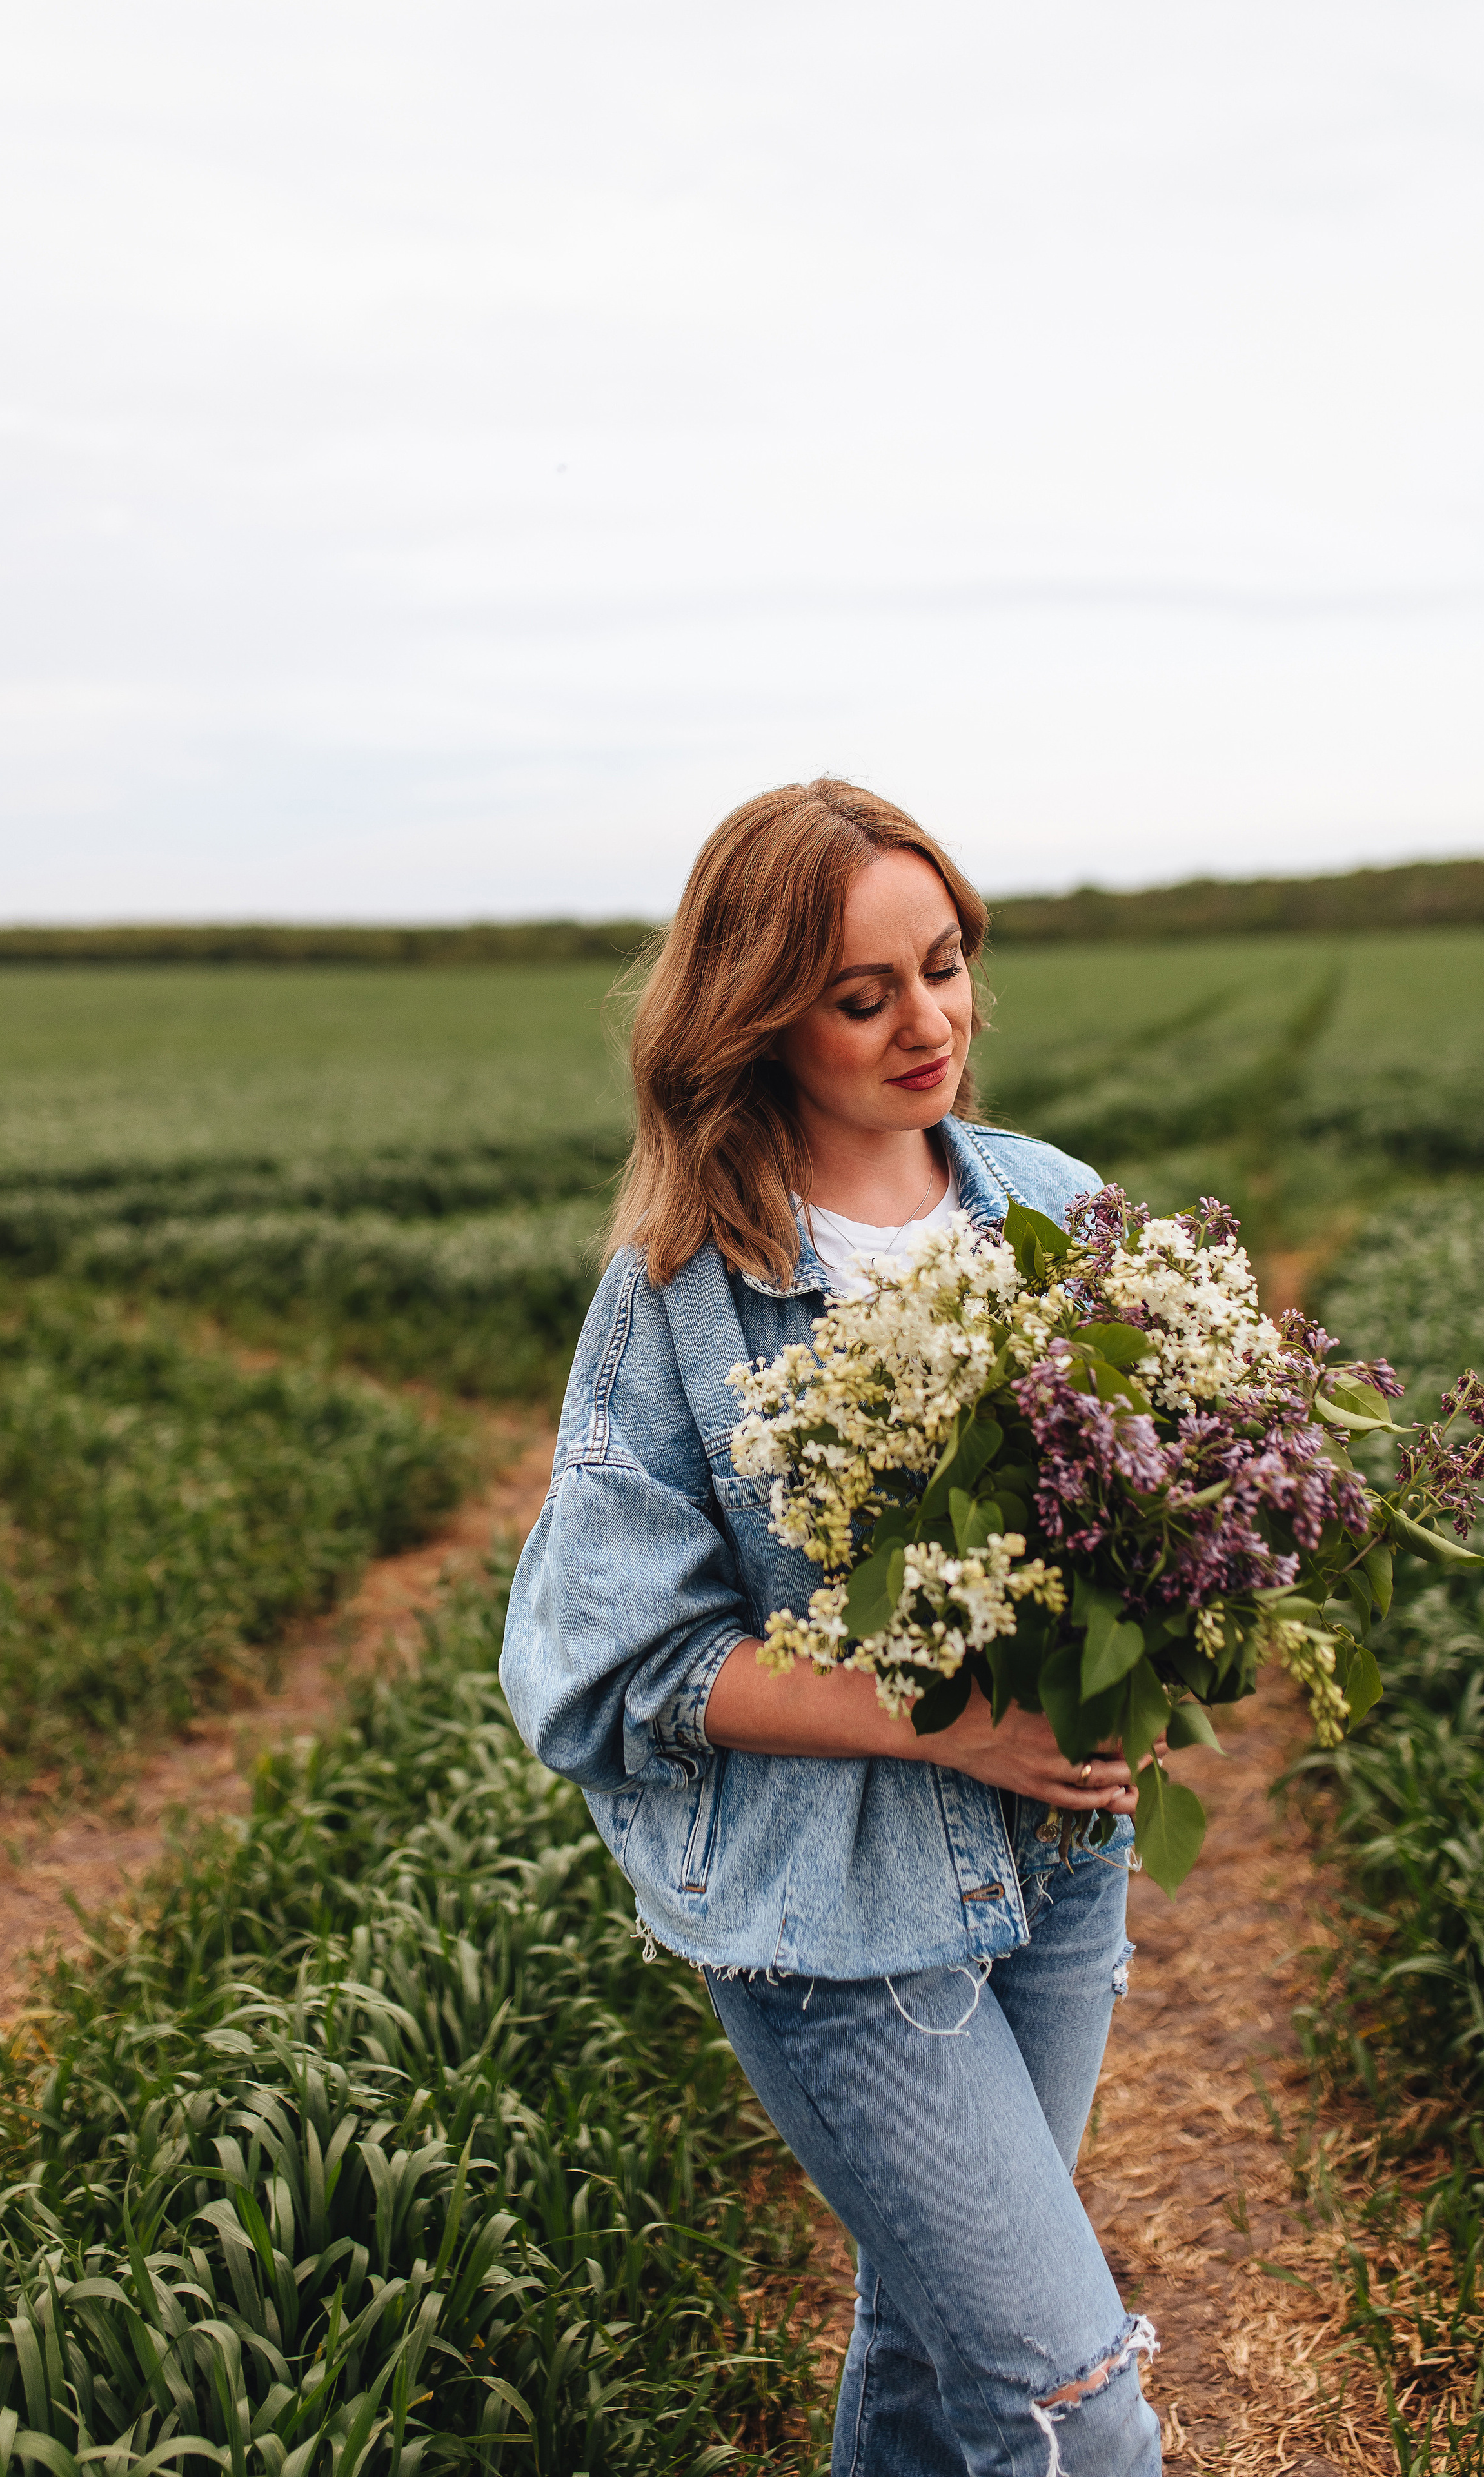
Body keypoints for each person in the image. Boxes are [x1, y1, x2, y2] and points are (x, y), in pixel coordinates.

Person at [500, 779, 1162, 2474]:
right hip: (842, 1918)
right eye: (865, 997)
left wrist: (1159, 1633)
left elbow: (1148, 1505)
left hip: (1063, 1870)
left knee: (937, 2354)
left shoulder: (1053, 1205)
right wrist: (955, 1723)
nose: (928, 1023)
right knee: (1072, 2405)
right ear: (760, 1020)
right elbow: (613, 1667)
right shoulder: (680, 1292)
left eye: (943, 968)